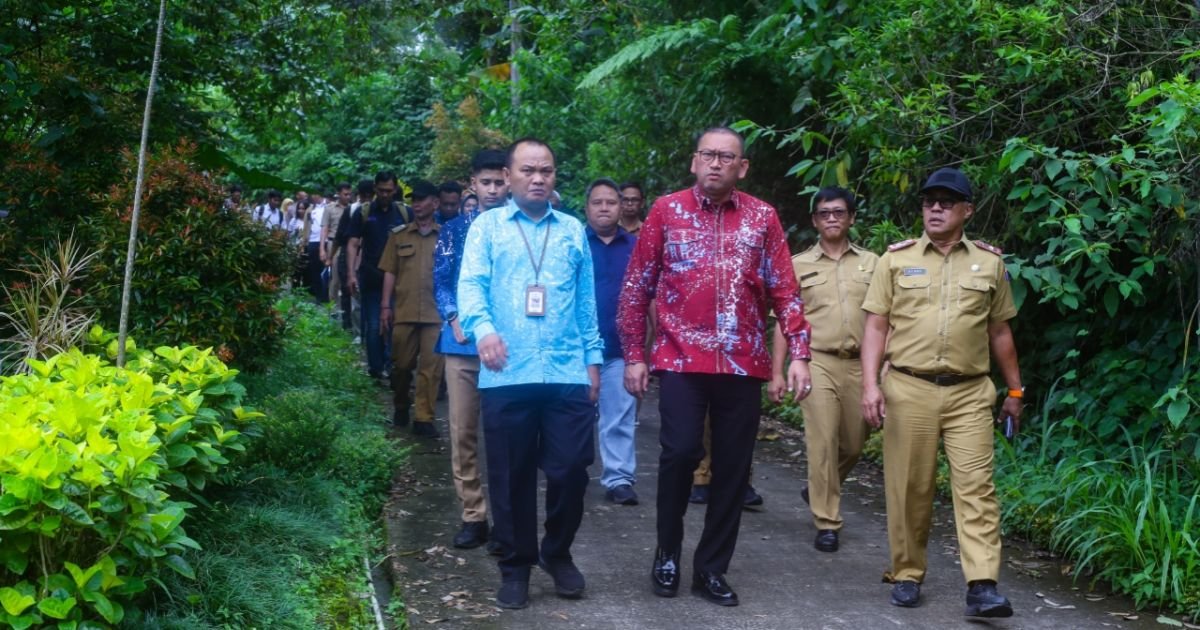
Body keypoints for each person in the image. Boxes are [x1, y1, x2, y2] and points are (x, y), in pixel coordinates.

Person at [617, 126, 813, 607]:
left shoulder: (762, 217)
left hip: (742, 362)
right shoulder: (667, 211)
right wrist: (634, 354)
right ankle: (667, 552)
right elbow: (637, 287)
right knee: (680, 451)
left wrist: (800, 354)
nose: (716, 163)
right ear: (694, 161)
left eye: (727, 157)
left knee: (732, 468)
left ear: (741, 168)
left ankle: (711, 567)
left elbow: (785, 290)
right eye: (709, 155)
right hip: (681, 357)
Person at [861, 167, 1023, 617]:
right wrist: (870, 385)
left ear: (967, 210)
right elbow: (875, 327)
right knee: (909, 488)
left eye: (946, 202)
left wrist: (1015, 390)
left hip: (969, 393)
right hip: (908, 388)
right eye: (929, 201)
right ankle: (907, 573)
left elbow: (1000, 332)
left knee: (977, 488)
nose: (935, 208)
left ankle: (982, 585)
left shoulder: (989, 263)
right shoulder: (894, 260)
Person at [457, 138, 603, 610]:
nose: (538, 178)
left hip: (566, 370)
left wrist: (593, 360)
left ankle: (556, 552)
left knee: (571, 469)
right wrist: (483, 330)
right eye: (528, 170)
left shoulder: (572, 229)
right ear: (509, 176)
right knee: (510, 475)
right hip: (507, 372)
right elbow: (471, 285)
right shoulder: (486, 227)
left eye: (547, 171)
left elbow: (586, 302)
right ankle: (516, 566)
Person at [769, 186, 877, 554]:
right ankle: (827, 521)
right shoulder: (797, 264)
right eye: (824, 213)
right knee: (823, 441)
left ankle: (818, 487)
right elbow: (785, 321)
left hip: (862, 362)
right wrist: (778, 371)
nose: (832, 218)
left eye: (839, 212)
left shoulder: (873, 264)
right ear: (815, 221)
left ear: (851, 218)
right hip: (816, 361)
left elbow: (886, 318)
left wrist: (886, 364)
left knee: (854, 443)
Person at [433, 149, 511, 552]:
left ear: (509, 181)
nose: (493, 189)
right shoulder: (454, 230)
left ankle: (507, 521)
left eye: (499, 182)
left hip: (508, 347)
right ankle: (473, 515)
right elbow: (441, 279)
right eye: (486, 182)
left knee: (506, 435)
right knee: (463, 431)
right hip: (462, 344)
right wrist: (453, 317)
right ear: (473, 185)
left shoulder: (519, 227)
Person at [584, 177, 640, 506]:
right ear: (586, 208)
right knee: (575, 417)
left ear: (621, 207)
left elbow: (649, 296)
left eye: (611, 202)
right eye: (597, 202)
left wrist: (644, 351)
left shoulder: (636, 247)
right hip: (576, 350)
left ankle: (619, 478)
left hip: (621, 348)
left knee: (619, 416)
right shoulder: (573, 243)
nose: (604, 208)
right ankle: (573, 470)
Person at [380, 180, 443, 437]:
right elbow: (390, 272)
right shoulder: (399, 235)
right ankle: (401, 404)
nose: (416, 204)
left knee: (431, 369)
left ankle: (424, 418)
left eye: (422, 199)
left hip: (436, 313)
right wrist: (385, 306)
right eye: (413, 200)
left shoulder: (446, 236)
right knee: (401, 366)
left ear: (435, 203)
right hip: (404, 311)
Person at [348, 172, 413, 379]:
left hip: (398, 279)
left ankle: (392, 365)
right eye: (382, 190)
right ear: (375, 189)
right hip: (371, 277)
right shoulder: (363, 212)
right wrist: (351, 274)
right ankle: (376, 369)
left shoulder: (404, 213)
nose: (385, 194)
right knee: (374, 325)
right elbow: (353, 243)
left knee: (395, 325)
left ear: (395, 190)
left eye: (389, 191)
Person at [322, 183, 353, 324]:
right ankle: (333, 311)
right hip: (333, 244)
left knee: (347, 279)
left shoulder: (353, 209)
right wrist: (322, 249)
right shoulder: (329, 209)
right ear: (338, 194)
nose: (348, 197)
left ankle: (347, 312)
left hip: (349, 245)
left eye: (349, 194)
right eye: (345, 194)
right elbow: (324, 228)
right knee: (335, 280)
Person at [304, 195, 327, 301]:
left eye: (314, 194)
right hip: (313, 241)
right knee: (314, 270)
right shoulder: (310, 209)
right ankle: (319, 296)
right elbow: (306, 226)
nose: (312, 197)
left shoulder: (329, 206)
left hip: (326, 241)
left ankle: (327, 294)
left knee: (326, 269)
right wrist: (305, 241)